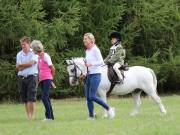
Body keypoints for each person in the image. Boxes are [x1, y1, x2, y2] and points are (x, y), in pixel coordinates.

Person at [83, 33, 115, 120]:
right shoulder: (87, 51)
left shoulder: (95, 50)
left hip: (96, 75)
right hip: (89, 75)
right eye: (84, 39)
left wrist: (91, 64)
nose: (84, 40)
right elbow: (87, 64)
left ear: (91, 40)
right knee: (88, 96)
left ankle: (109, 108)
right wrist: (84, 72)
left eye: (86, 39)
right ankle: (91, 116)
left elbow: (101, 61)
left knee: (92, 96)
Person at [30, 40, 55, 121]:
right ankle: (51, 116)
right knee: (46, 97)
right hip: (42, 80)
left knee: (44, 97)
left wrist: (51, 79)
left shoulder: (45, 56)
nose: (32, 50)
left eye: (32, 49)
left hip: (47, 79)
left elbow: (52, 68)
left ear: (35, 49)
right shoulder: (38, 57)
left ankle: (48, 117)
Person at [16, 36, 38, 120]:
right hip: (21, 78)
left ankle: (31, 117)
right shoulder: (19, 54)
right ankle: (28, 116)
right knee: (25, 98)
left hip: (32, 77)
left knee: (31, 98)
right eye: (21, 44)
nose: (23, 46)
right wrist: (26, 64)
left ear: (28, 44)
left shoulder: (34, 53)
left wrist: (22, 64)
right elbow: (18, 67)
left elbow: (32, 63)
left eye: (24, 44)